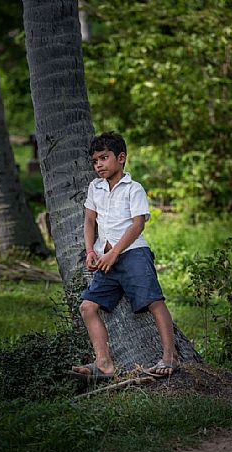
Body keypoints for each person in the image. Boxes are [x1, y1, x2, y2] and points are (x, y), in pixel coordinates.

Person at [72, 132, 179, 380]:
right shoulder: (94, 188)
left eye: (104, 158)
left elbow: (137, 225)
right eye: (95, 160)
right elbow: (89, 220)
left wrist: (114, 253)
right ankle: (104, 363)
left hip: (133, 254)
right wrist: (91, 251)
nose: (98, 164)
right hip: (104, 259)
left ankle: (170, 356)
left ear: (121, 158)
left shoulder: (134, 188)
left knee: (153, 301)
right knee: (88, 307)